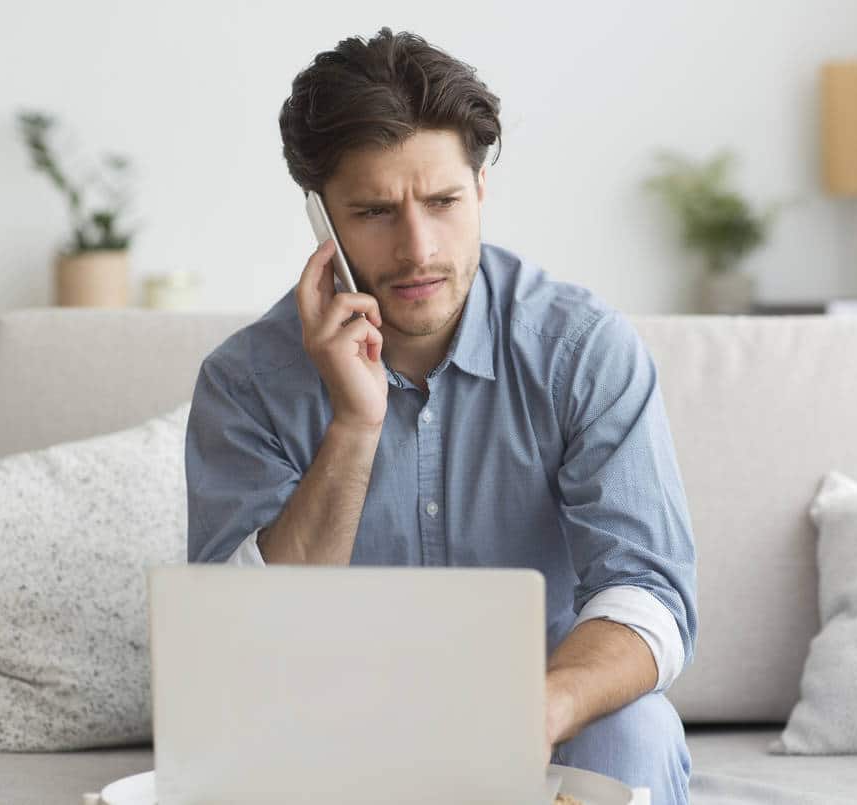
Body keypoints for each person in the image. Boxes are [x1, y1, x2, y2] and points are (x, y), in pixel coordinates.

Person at [185, 27, 696, 804]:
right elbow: (243, 642)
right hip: (326, 737)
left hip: (542, 726)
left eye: (443, 201)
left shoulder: (581, 350)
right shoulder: (246, 381)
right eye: (374, 212)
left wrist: (542, 707)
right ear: (322, 221)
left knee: (640, 727)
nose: (418, 247)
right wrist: (354, 427)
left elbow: (648, 594)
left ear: (480, 190)